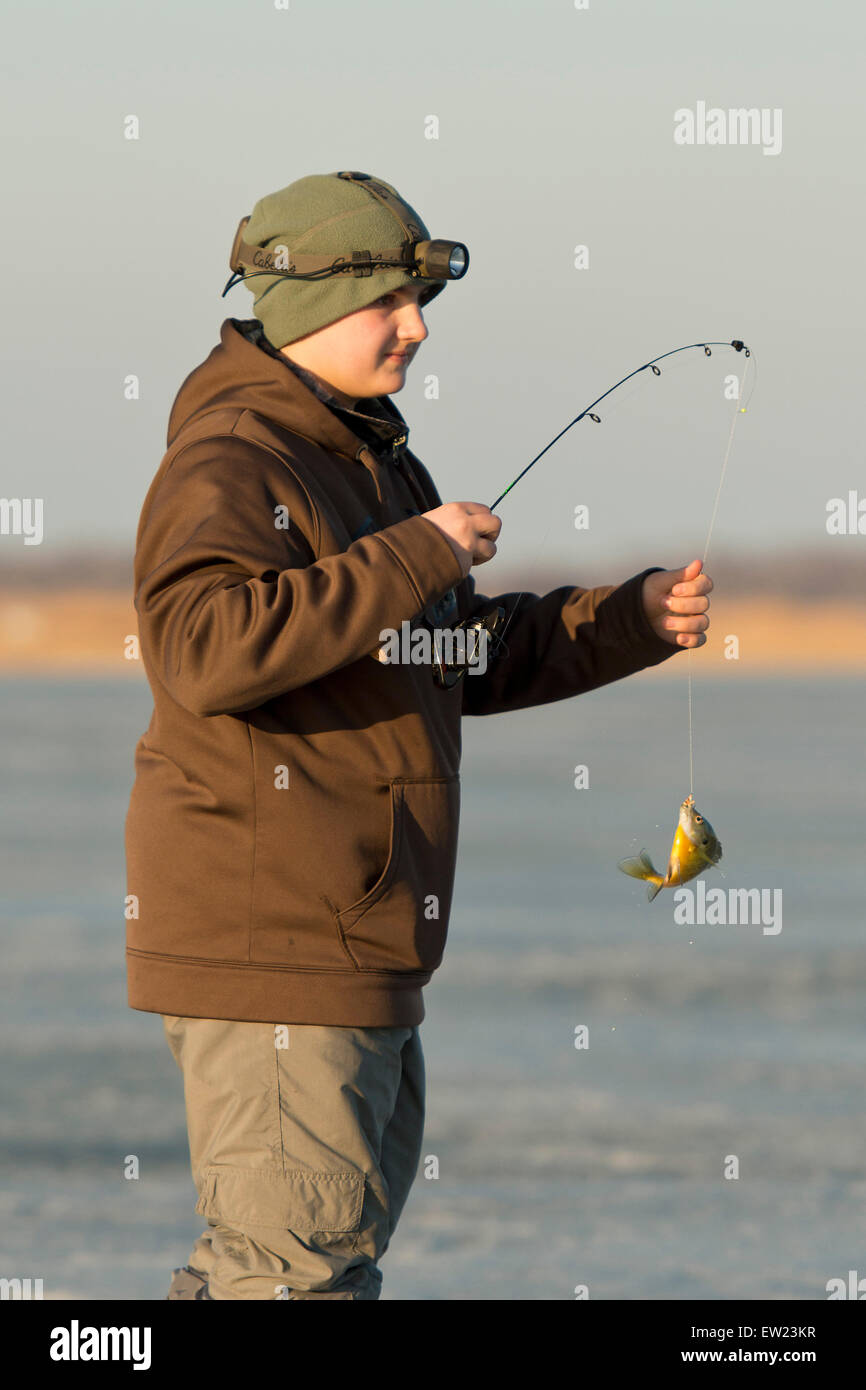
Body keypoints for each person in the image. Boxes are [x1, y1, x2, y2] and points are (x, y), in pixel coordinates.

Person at [124, 170, 713, 1301]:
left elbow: (448, 655)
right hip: (277, 945)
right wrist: (418, 553)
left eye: (418, 298)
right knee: (290, 1275)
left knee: (310, 1265)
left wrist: (628, 621)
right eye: (386, 301)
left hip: (358, 944)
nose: (415, 325)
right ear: (303, 306)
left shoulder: (373, 463)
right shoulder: (234, 460)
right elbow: (202, 647)